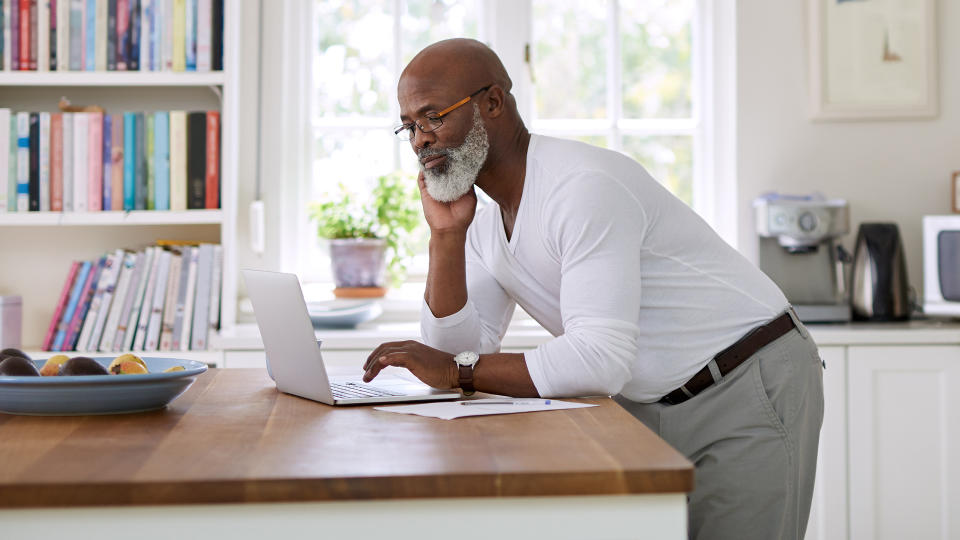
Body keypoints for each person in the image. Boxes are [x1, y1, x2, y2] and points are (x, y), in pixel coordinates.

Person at [361, 38, 823, 540]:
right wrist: (446, 237)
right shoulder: (482, 209)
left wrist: (453, 370)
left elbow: (596, 358)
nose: (419, 141)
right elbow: (455, 355)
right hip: (648, 401)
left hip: (744, 378)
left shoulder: (581, 187)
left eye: (432, 117)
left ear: (491, 103)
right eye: (409, 126)